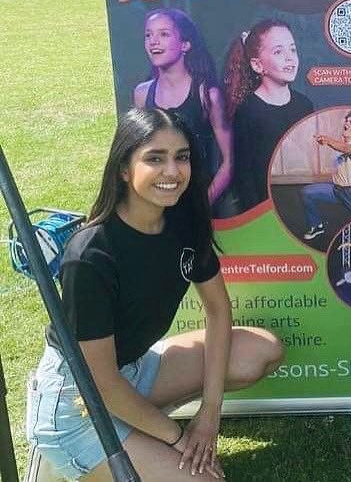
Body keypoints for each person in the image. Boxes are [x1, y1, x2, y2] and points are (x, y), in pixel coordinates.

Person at [26, 108, 283, 481]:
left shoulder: (183, 222)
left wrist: (210, 413)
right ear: (123, 169)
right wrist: (176, 437)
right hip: (77, 402)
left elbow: (218, 312)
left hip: (132, 370)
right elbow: (100, 382)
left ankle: (134, 428)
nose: (172, 171)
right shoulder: (91, 254)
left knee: (260, 352)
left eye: (181, 157)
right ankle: (65, 456)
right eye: (154, 159)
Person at [134, 9, 232, 208]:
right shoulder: (142, 95)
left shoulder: (208, 95)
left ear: (185, 44)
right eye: (148, 35)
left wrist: (204, 203)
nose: (153, 41)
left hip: (199, 199)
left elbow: (229, 162)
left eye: (164, 34)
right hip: (159, 202)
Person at [224, 19, 314, 214]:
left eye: (293, 50)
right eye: (278, 52)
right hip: (264, 211)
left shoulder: (304, 105)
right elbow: (244, 175)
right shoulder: (247, 111)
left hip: (299, 206)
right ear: (257, 65)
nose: (290, 58)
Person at [301, 111, 351, 241]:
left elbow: (345, 148)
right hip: (336, 191)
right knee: (306, 193)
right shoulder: (341, 143)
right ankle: (317, 226)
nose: (346, 123)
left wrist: (327, 140)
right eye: (346, 120)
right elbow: (340, 146)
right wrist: (327, 140)